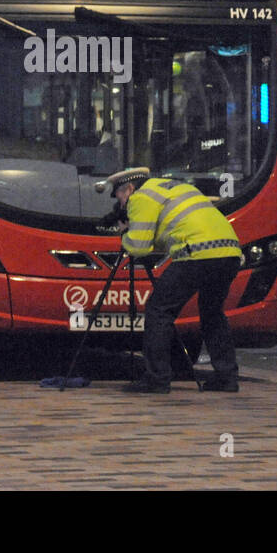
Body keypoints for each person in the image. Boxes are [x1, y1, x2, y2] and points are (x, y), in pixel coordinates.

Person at [99, 167, 242, 393]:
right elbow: (170, 232)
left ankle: (157, 378)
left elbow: (139, 247)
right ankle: (226, 378)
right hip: (229, 253)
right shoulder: (177, 188)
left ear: (129, 188)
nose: (121, 203)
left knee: (159, 310)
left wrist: (125, 233)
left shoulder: (141, 197)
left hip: (196, 255)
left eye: (119, 196)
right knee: (212, 313)